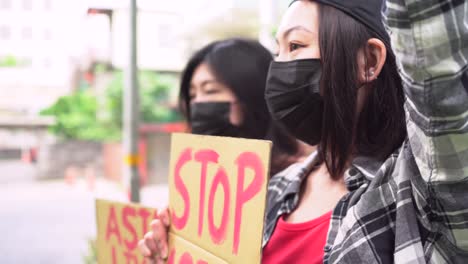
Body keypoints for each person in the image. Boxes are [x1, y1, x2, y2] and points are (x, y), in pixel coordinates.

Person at [141, 0, 468, 263]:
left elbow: (435, 56)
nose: (279, 67)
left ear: (369, 60)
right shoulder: (272, 190)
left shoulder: (420, 189)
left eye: (296, 45)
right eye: (277, 50)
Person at [138, 38, 311, 263]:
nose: (198, 103)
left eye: (210, 91)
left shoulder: (300, 182)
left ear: (251, 96)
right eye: (192, 95)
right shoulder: (195, 182)